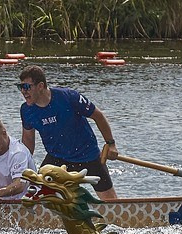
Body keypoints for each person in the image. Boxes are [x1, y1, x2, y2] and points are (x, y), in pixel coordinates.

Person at [16, 65, 118, 194]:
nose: (23, 91)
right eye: (20, 87)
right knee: (37, 195)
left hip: (87, 155)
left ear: (40, 86)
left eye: (26, 87)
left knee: (110, 201)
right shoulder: (26, 110)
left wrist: (111, 144)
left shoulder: (69, 97)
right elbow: (28, 141)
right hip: (57, 159)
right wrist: (21, 167)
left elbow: (99, 116)